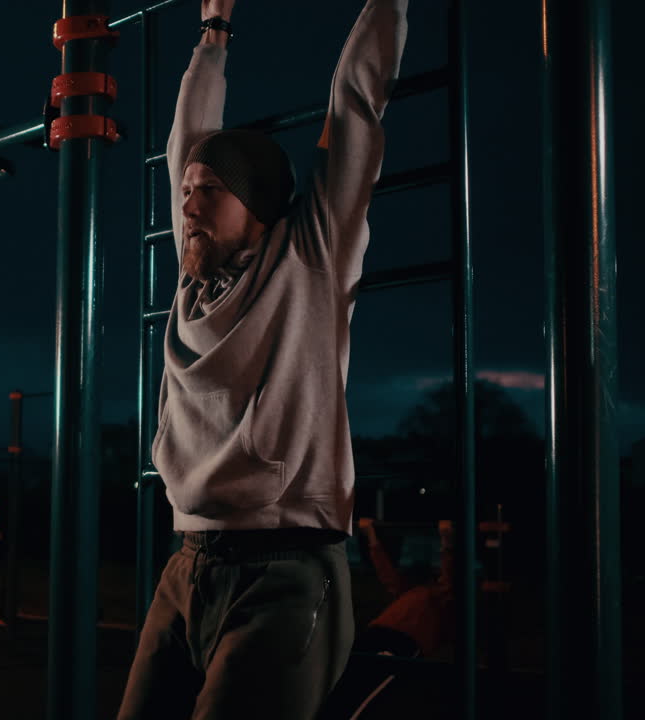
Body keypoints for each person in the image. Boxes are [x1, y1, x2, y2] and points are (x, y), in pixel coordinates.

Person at [117, 1, 409, 718]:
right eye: (185, 191)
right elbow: (187, 139)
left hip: (284, 567)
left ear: (257, 204)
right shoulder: (192, 284)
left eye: (210, 191)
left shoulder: (309, 258)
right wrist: (213, 28)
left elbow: (355, 106)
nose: (189, 203)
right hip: (187, 566)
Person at [317, 519, 455, 719]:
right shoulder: (412, 591)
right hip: (375, 633)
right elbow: (387, 573)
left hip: (403, 642)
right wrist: (371, 535)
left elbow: (450, 578)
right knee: (342, 682)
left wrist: (446, 541)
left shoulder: (445, 600)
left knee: (369, 688)